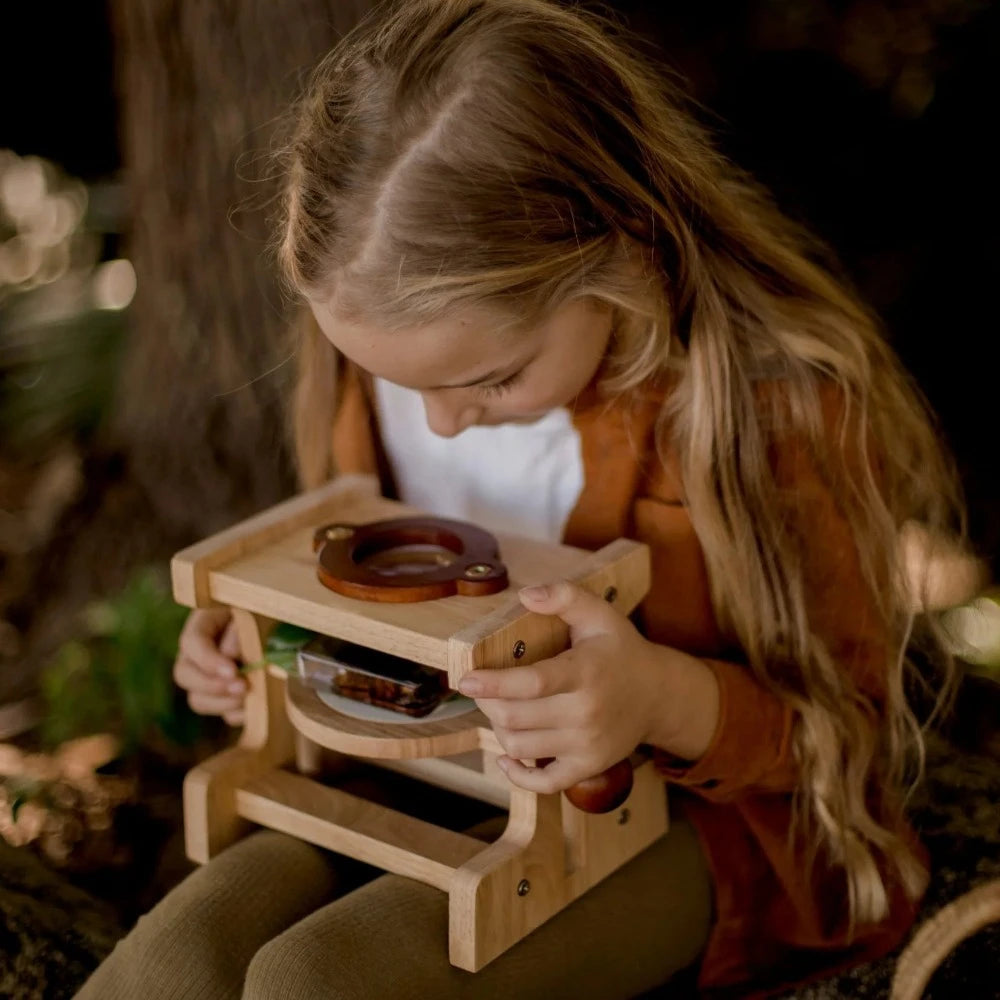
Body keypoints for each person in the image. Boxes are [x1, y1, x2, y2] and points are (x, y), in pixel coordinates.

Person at [76, 1, 980, 997]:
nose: (445, 424)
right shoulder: (385, 368)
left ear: (622, 252)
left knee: (316, 980)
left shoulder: (766, 414)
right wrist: (273, 648)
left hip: (680, 824)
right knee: (180, 955)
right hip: (414, 773)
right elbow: (375, 606)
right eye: (394, 382)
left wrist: (654, 695)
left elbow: (845, 735)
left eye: (494, 380)